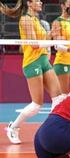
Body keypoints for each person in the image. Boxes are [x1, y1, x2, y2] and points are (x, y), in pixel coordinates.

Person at [1, 0, 64, 144]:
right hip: (32, 62)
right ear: (29, 3)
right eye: (37, 0)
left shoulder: (36, 20)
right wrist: (52, 42)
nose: (41, 2)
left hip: (43, 60)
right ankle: (13, 127)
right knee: (37, 105)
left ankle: (51, 129)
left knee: (58, 97)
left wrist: (51, 35)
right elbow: (34, 45)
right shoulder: (25, 20)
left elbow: (41, 41)